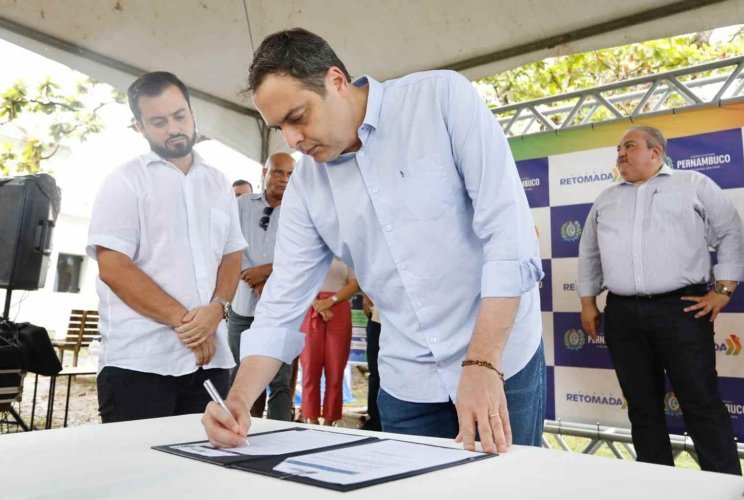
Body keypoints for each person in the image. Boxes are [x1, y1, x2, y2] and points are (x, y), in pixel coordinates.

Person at [202, 28, 545, 454]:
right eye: (279, 128)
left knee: (505, 483)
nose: (292, 140)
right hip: (409, 382)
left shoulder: (440, 100)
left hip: (500, 360)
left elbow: (509, 238)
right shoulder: (307, 187)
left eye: (298, 117)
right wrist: (239, 400)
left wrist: (482, 362)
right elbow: (281, 303)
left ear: (336, 81)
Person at [577, 126, 744, 475]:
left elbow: (731, 231)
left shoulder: (693, 184)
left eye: (629, 146)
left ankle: (725, 486)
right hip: (622, 313)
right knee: (641, 406)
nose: (620, 154)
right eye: (618, 149)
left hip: (681, 309)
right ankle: (655, 485)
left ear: (656, 152)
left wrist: (724, 289)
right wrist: (587, 302)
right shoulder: (606, 199)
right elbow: (589, 252)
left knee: (700, 401)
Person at [88, 71, 246, 422]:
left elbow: (232, 254)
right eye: (159, 122)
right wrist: (188, 324)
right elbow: (113, 267)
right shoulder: (124, 181)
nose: (174, 128)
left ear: (192, 113)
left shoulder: (218, 182)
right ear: (139, 127)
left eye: (179, 116)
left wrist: (217, 308)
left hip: (211, 361)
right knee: (137, 458)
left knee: (205, 456)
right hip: (140, 362)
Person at [227, 152, 296, 420]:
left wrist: (265, 273)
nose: (284, 179)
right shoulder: (242, 205)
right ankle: (238, 426)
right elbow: (230, 244)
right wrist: (252, 278)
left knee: (280, 380)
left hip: (280, 310)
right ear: (264, 173)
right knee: (237, 375)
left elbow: (299, 257)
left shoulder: (300, 209)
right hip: (242, 306)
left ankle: (280, 432)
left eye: (290, 174)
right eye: (278, 172)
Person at [299, 258, 359, 425]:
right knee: (310, 367)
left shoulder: (346, 253)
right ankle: (310, 417)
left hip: (338, 308)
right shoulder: (309, 252)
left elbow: (354, 284)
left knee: (335, 368)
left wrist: (330, 301)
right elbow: (300, 281)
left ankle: (330, 419)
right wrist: (317, 305)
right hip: (311, 307)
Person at [362, 294, 382, 431]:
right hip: (378, 319)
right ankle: (374, 422)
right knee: (375, 374)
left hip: (409, 323)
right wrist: (366, 295)